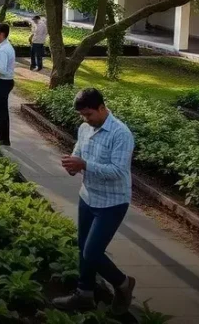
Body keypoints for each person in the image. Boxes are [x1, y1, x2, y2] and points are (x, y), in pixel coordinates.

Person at [54, 88, 136, 315]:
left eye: (89, 114)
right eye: (82, 116)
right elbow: (78, 152)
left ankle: (123, 284)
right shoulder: (84, 128)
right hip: (87, 196)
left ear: (102, 107)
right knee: (83, 249)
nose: (86, 120)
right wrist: (72, 165)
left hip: (112, 203)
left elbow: (119, 171)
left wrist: (85, 165)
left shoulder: (121, 134)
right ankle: (84, 294)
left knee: (92, 253)